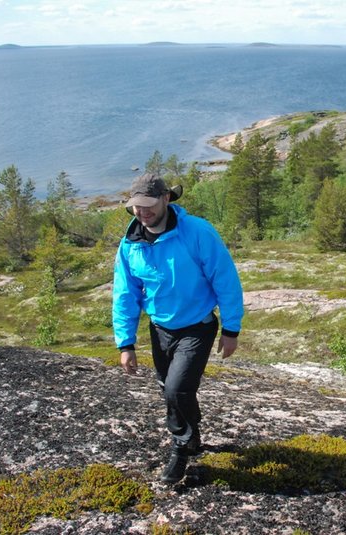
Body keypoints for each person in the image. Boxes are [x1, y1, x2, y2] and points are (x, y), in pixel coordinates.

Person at [112, 172, 244, 484]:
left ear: (166, 199)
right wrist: (125, 343)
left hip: (197, 327)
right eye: (136, 206)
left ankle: (181, 448)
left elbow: (225, 279)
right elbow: (125, 294)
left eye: (148, 204)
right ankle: (193, 433)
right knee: (168, 388)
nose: (142, 212)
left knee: (176, 388)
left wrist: (231, 329)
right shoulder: (130, 244)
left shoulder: (197, 232)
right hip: (160, 330)